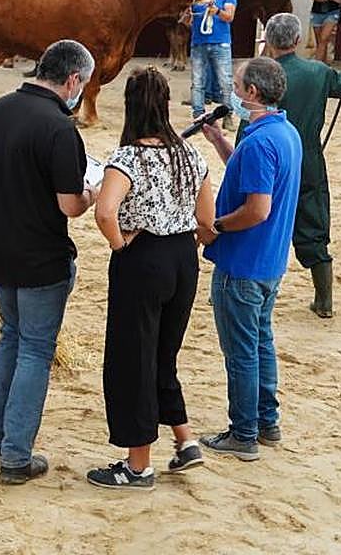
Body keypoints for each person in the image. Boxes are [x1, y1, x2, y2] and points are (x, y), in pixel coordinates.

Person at [0, 39, 98, 485]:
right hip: (41, 256)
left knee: (11, 339)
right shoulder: (59, 128)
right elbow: (69, 206)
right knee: (36, 349)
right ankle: (16, 455)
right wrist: (92, 193)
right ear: (73, 80)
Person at [86, 68, 215, 490]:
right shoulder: (192, 157)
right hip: (183, 258)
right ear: (164, 105)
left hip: (142, 257)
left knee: (132, 359)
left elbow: (104, 212)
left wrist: (121, 245)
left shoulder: (126, 158)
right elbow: (207, 222)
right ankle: (185, 439)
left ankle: (138, 464)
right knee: (164, 353)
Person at [198, 57, 301, 461]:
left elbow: (257, 208)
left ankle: (243, 433)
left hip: (242, 262)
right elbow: (250, 177)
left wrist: (215, 227)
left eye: (238, 85)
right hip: (268, 261)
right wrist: (221, 142)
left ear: (253, 93)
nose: (234, 91)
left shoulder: (260, 142)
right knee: (261, 342)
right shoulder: (283, 132)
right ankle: (266, 421)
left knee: (241, 351)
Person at [257, 14, 341, 318]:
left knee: (255, 219)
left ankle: (242, 286)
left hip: (269, 159)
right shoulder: (318, 72)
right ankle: (324, 300)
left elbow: (246, 124)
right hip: (308, 160)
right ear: (298, 40)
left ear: (270, 41)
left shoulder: (261, 74)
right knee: (313, 224)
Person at [189, 0, 237, 130]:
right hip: (198, 42)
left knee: (225, 82)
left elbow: (229, 16)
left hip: (220, 42)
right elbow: (188, 15)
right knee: (198, 82)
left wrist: (216, 11)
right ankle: (198, 115)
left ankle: (227, 115)